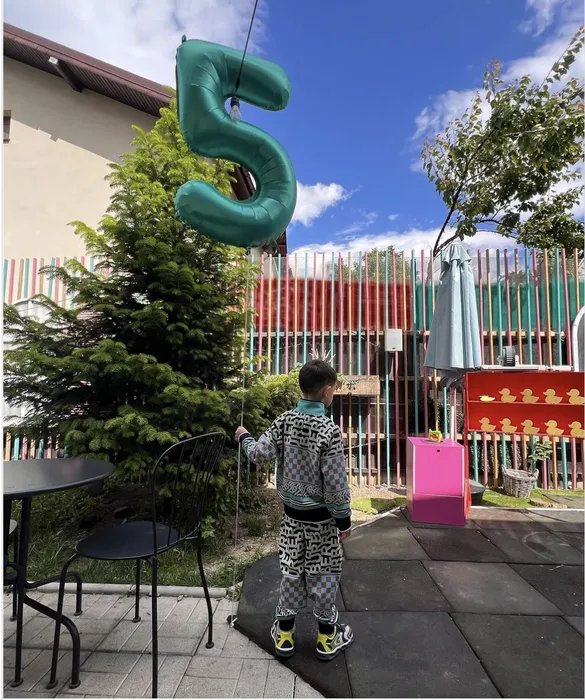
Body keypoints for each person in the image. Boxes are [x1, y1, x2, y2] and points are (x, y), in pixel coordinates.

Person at [235, 359, 353, 662]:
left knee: (291, 572)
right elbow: (336, 485)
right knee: (324, 576)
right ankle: (326, 638)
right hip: (322, 524)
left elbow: (259, 454)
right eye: (334, 390)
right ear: (326, 390)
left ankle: (285, 634)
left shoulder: (284, 421)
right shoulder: (329, 430)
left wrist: (244, 437)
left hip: (291, 520)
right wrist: (344, 521)